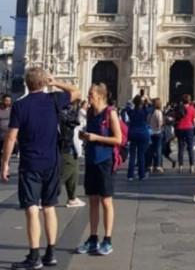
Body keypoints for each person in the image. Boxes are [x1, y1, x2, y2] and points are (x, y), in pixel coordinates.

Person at [1, 67, 80, 270]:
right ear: (43, 82)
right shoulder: (53, 100)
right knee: (49, 207)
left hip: (30, 164)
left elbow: (11, 137)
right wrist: (55, 83)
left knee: (31, 209)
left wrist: (5, 164)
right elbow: (77, 91)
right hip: (52, 163)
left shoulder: (20, 106)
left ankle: (34, 257)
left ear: (27, 83)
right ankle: (50, 254)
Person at [76, 82, 122, 256]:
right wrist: (85, 135)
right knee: (93, 201)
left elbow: (118, 139)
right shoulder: (90, 112)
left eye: (91, 94)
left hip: (105, 161)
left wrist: (96, 137)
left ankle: (108, 239)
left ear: (101, 95)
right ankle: (93, 238)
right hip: (91, 160)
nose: (88, 97)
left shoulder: (111, 113)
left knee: (106, 201)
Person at [59, 98, 85, 207]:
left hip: (71, 149)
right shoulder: (67, 116)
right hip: (67, 148)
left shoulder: (65, 114)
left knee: (73, 173)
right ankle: (45, 197)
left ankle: (72, 198)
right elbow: (74, 131)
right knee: (63, 175)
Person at [126, 94, 150, 181]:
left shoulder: (131, 112)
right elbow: (151, 107)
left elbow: (127, 106)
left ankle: (130, 175)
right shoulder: (144, 111)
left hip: (133, 133)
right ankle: (142, 174)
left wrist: (130, 101)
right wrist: (147, 100)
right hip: (143, 133)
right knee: (141, 155)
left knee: (132, 155)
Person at [175, 93, 195, 173]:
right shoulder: (192, 109)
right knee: (190, 148)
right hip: (189, 128)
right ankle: (192, 166)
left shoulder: (178, 108)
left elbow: (176, 118)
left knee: (180, 148)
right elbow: (193, 120)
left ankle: (180, 166)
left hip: (180, 128)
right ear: (189, 100)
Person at [147, 97, 165, 172]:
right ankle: (158, 165)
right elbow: (159, 123)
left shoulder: (150, 113)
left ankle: (149, 165)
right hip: (158, 132)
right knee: (158, 150)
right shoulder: (158, 112)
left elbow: (147, 121)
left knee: (150, 150)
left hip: (151, 133)